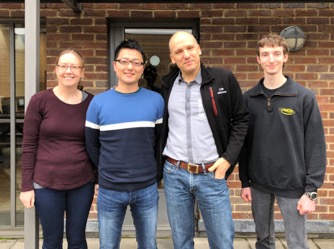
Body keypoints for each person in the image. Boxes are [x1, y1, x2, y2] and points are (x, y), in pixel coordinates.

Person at [160, 31, 249, 249]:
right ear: (172, 58)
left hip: (211, 173)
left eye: (190, 48)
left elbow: (241, 119)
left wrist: (228, 158)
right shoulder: (167, 86)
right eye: (179, 51)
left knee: (222, 242)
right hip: (175, 174)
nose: (186, 54)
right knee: (181, 242)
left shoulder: (223, 79)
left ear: (199, 49)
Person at [239, 34, 326, 249]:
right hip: (258, 184)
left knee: (297, 244)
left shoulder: (303, 97)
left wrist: (311, 191)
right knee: (263, 241)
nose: (271, 59)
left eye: (277, 53)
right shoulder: (249, 99)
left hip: (293, 186)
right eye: (265, 54)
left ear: (285, 57)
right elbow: (244, 144)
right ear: (258, 59)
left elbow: (315, 146)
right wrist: (244, 182)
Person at [85, 39, 164, 249]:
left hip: (146, 187)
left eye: (136, 63)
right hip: (110, 189)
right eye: (124, 61)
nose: (130, 67)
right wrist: (106, 171)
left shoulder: (156, 101)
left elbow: (158, 141)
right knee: (108, 246)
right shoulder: (98, 103)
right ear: (114, 65)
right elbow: (92, 145)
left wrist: (155, 174)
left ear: (143, 67)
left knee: (148, 245)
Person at [19, 49, 96, 249]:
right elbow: (28, 145)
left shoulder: (92, 103)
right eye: (64, 66)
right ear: (56, 70)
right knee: (52, 241)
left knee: (77, 239)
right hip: (46, 183)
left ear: (82, 72)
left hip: (82, 183)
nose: (68, 71)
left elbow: (98, 144)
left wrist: (98, 178)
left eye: (74, 66)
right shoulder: (40, 101)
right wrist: (26, 186)